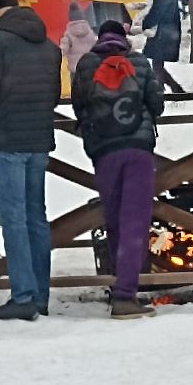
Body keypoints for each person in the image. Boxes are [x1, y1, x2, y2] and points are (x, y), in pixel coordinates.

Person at [0, 0, 62, 321]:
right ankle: (40, 294)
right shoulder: (49, 47)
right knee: (36, 217)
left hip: (6, 141)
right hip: (39, 141)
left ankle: (23, 296)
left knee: (14, 219)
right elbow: (52, 95)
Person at [72, 20, 165, 319]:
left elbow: (79, 105)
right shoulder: (138, 62)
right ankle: (126, 295)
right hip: (138, 150)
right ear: (124, 38)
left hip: (104, 151)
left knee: (114, 220)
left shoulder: (86, 65)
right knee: (135, 221)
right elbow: (157, 104)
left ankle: (118, 286)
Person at [143, 0, 184, 94]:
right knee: (157, 64)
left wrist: (146, 23)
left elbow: (158, 11)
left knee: (157, 63)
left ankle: (164, 90)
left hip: (163, 33)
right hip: (168, 31)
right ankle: (171, 88)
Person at [61, 1, 97, 74]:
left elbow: (63, 50)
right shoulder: (90, 32)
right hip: (91, 66)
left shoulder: (68, 34)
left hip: (76, 68)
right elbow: (96, 44)